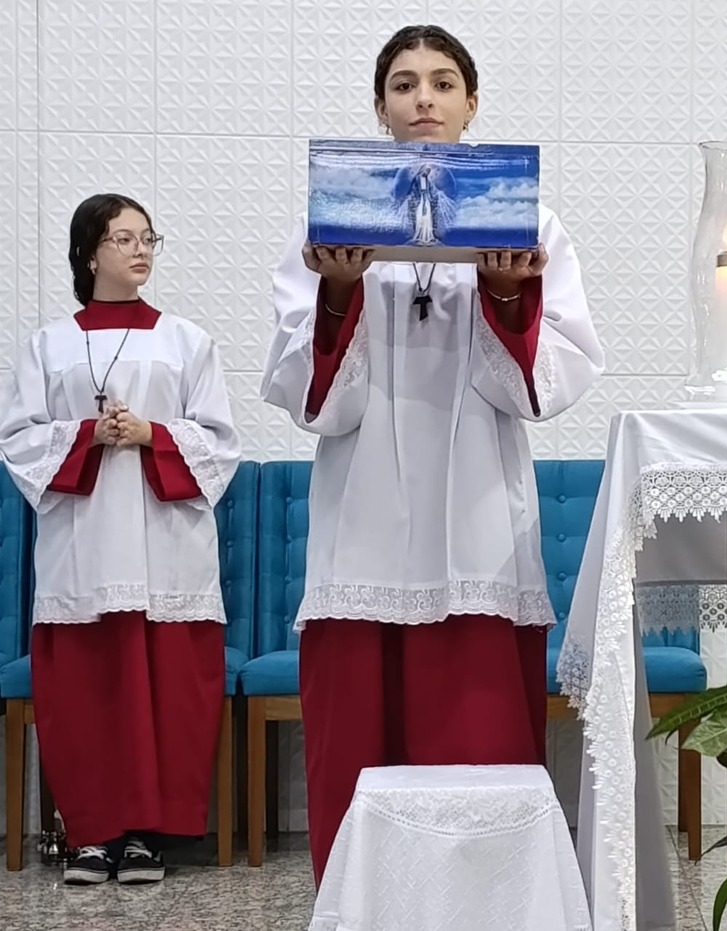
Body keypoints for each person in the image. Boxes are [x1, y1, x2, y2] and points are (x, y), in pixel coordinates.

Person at [262, 24, 604, 886]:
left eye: (444, 83)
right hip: (363, 522)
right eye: (406, 83)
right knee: (359, 758)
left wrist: (506, 291)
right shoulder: (330, 220)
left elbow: (546, 383)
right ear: (379, 106)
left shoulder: (526, 220)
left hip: (475, 523)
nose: (424, 98)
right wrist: (338, 289)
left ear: (472, 103)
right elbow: (311, 397)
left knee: (479, 760)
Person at [0, 194, 241, 885]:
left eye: (147, 238)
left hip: (167, 543)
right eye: (123, 238)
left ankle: (147, 837)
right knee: (88, 690)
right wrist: (89, 435)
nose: (140, 250)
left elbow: (220, 442)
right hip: (86, 544)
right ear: (88, 254)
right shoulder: (48, 345)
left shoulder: (187, 341)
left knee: (169, 689)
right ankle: (91, 834)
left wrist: (151, 434)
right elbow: (18, 440)